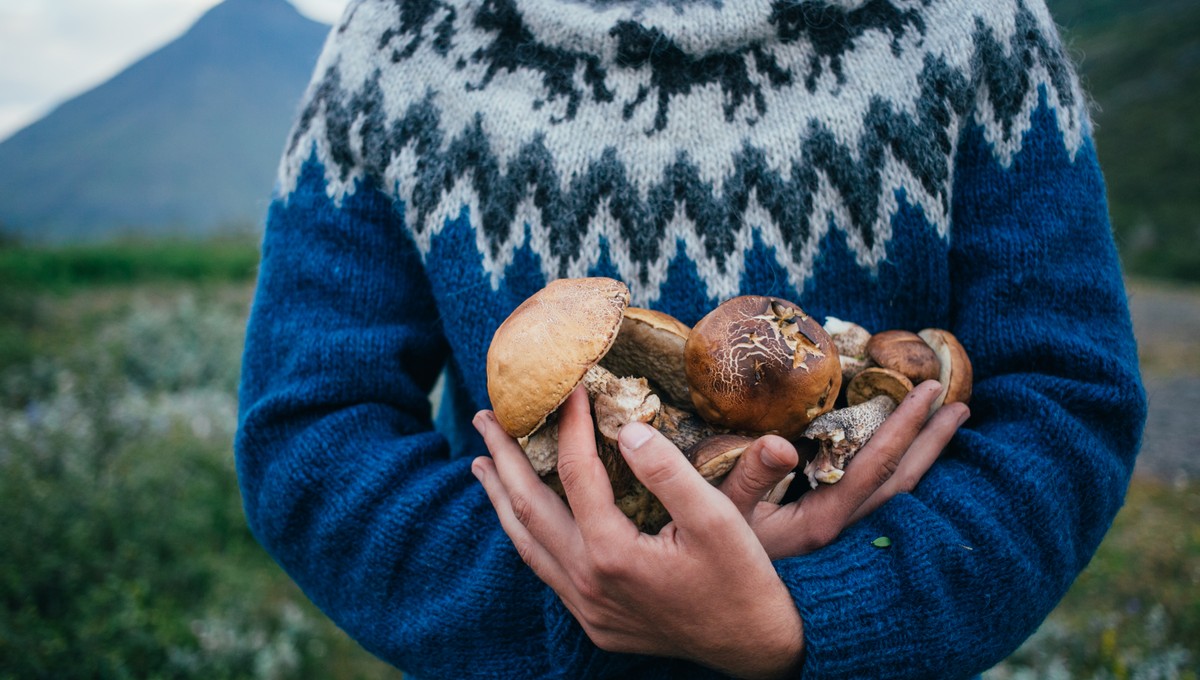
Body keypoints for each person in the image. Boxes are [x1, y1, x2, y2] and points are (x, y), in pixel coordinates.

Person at [234, 0, 1147, 677]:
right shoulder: (398, 42)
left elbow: (1063, 400)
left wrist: (807, 618)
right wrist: (592, 600)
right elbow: (312, 432)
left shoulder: (969, 22)